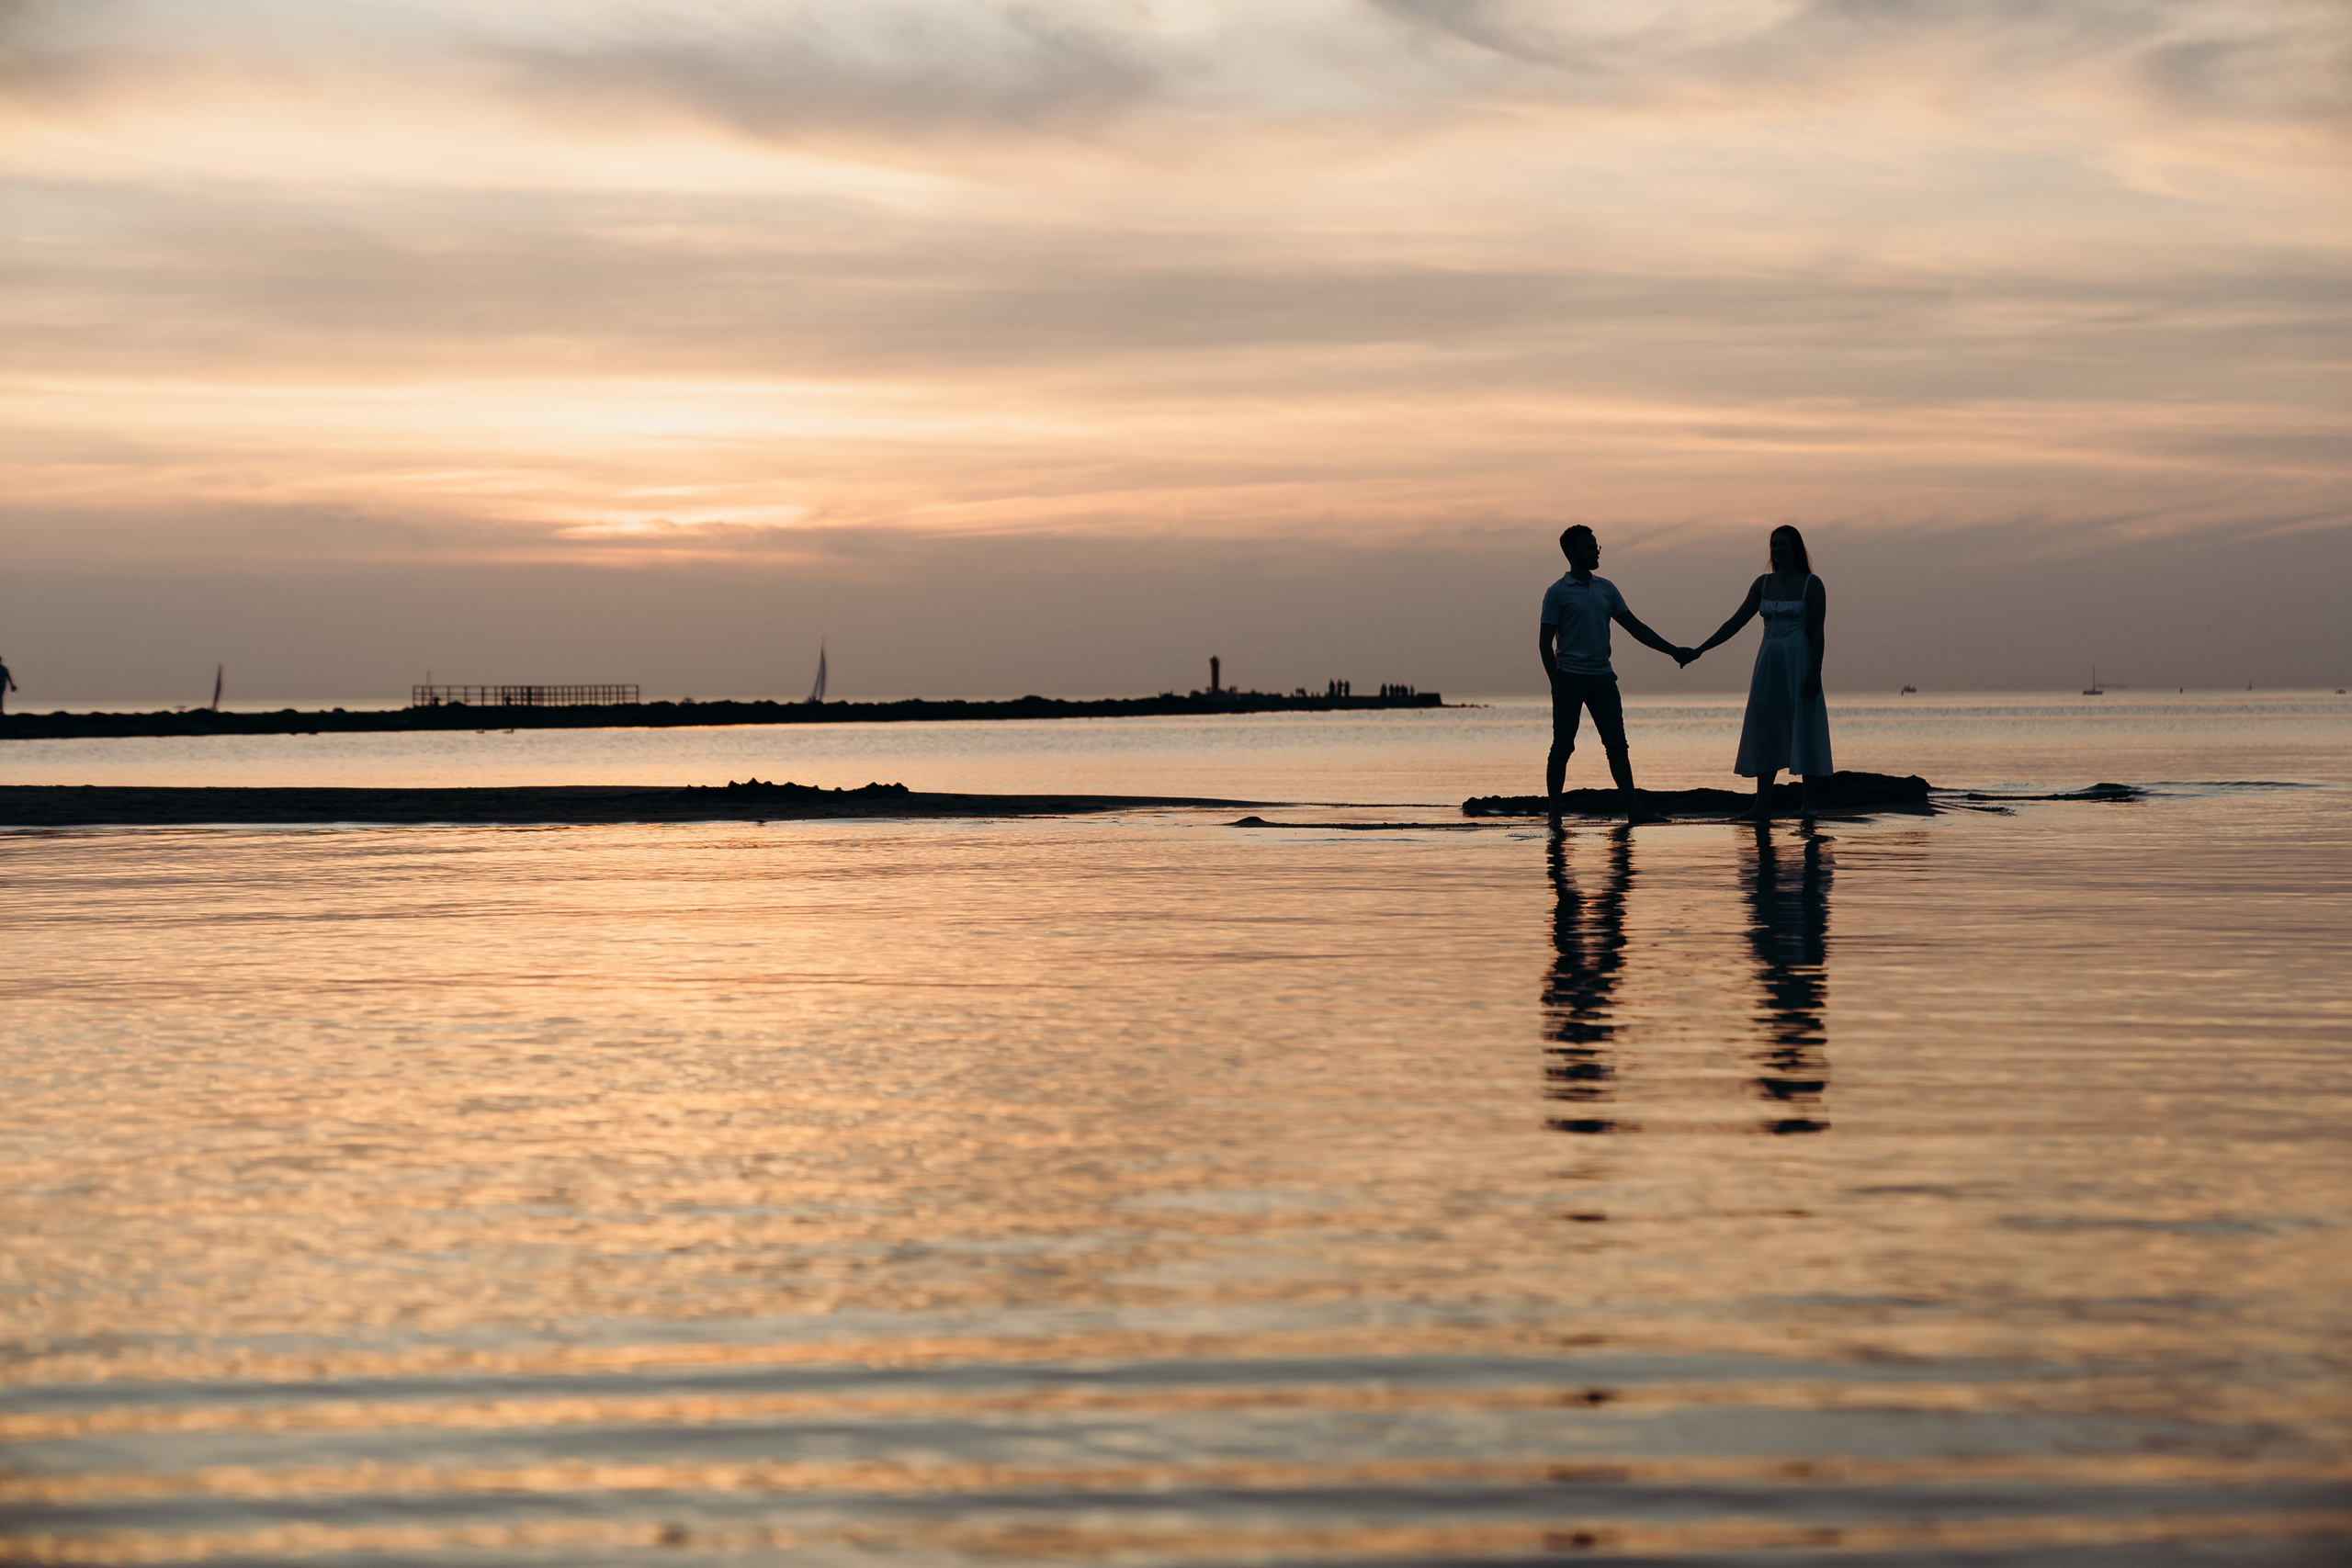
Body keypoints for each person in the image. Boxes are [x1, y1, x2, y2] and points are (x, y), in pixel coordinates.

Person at [1538, 525, 1697, 824]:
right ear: (1573, 552)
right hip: (1570, 679)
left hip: (1603, 679)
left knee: (1617, 746)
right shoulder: (1557, 593)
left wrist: (1672, 650)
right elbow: (1544, 644)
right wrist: (1555, 684)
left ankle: (1635, 810)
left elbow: (1635, 627)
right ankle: (1555, 813)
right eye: (1589, 547)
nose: (1596, 551)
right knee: (1562, 746)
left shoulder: (1606, 589)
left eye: (1597, 546)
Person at [1687, 525, 1831, 819]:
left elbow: (1817, 632)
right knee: (1766, 726)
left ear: (1796, 548)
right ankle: (1761, 804)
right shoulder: (1763, 583)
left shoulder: (1811, 584)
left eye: (1784, 544)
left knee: (1804, 724)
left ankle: (1809, 804)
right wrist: (1701, 649)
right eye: (1774, 544)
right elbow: (1735, 622)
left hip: (1798, 660)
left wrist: (1815, 672)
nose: (1778, 549)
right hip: (1768, 663)